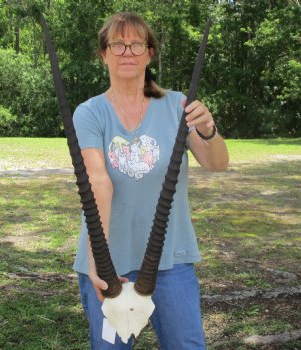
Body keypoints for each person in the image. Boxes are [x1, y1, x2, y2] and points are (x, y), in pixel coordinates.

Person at [72, 12, 229, 350]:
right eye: (117, 44)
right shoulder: (89, 112)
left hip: (171, 260)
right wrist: (99, 262)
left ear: (150, 53)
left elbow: (217, 164)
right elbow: (99, 182)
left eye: (137, 44)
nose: (127, 52)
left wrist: (209, 130)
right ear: (103, 54)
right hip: (108, 261)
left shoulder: (177, 106)